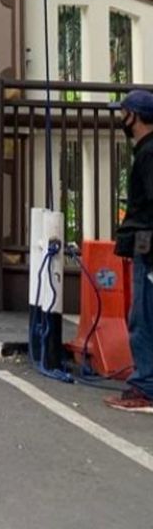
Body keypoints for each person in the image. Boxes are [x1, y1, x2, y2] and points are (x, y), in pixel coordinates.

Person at [106, 90, 153, 413]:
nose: (121, 119)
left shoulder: (149, 154)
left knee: (143, 316)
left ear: (134, 116)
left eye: (123, 113)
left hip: (149, 245)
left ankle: (145, 387)